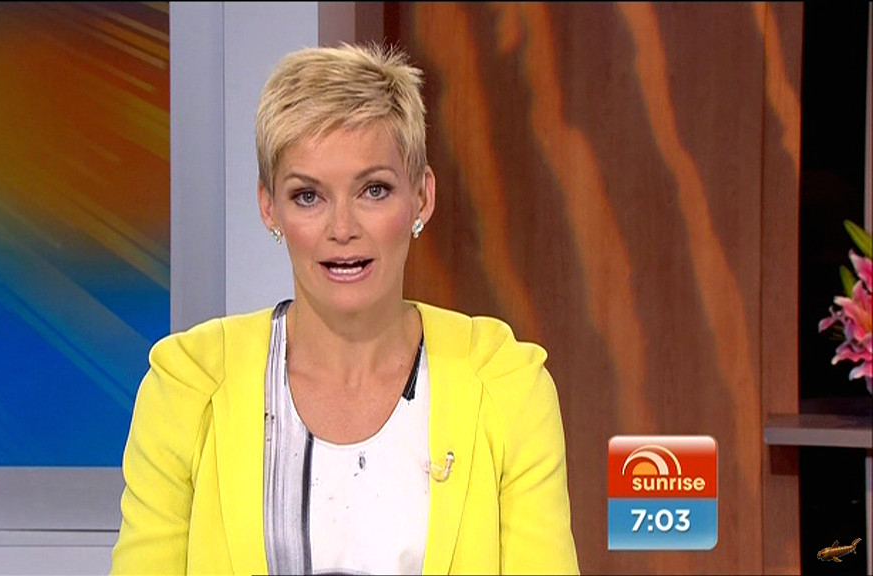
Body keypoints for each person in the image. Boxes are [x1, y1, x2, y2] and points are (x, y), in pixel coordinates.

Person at [110, 42, 579, 575]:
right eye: (308, 196)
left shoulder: (505, 384)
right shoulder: (189, 386)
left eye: (373, 190)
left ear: (421, 198)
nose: (342, 228)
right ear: (269, 207)